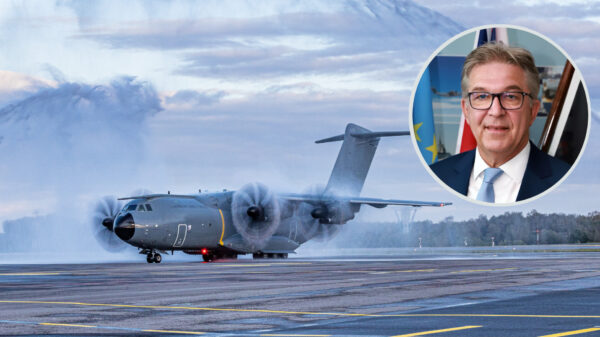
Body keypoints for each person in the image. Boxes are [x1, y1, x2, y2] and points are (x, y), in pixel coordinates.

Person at [429, 42, 570, 203]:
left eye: (510, 96)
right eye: (481, 96)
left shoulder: (567, 181)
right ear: (466, 110)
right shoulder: (435, 176)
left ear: (533, 110)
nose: (496, 111)